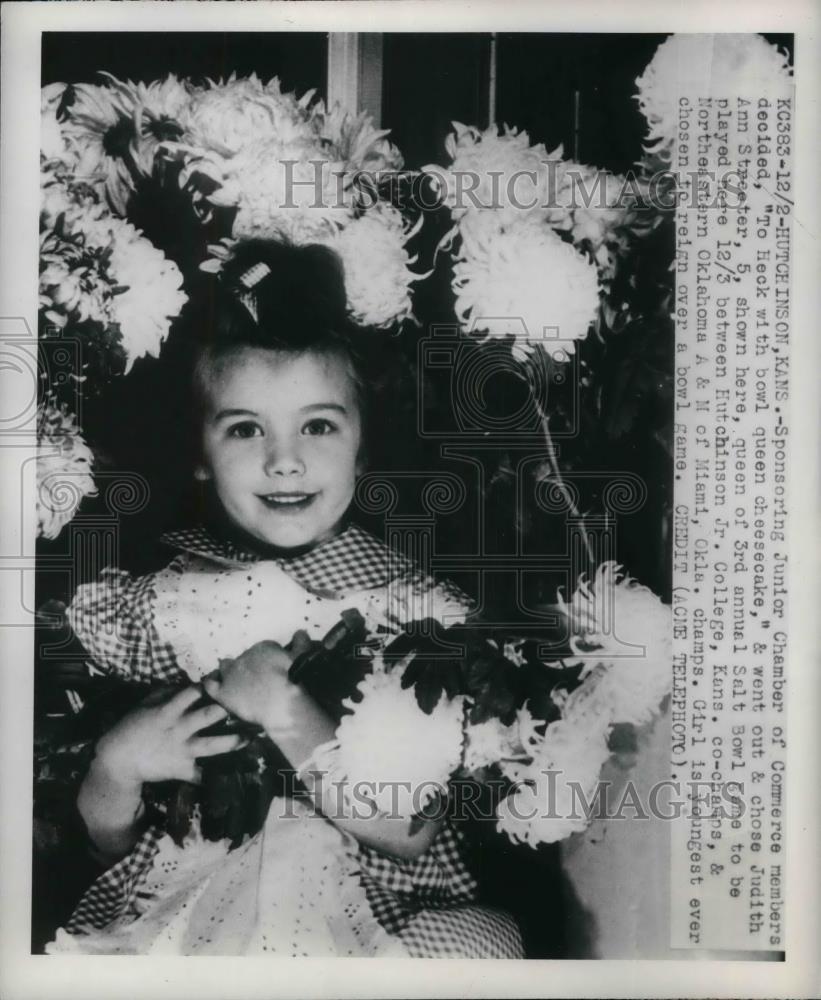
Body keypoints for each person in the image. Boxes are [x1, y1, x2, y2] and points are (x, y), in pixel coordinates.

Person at [45, 240, 524, 959]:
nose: (284, 459)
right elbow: (109, 848)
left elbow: (407, 830)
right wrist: (116, 766)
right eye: (244, 428)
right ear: (202, 459)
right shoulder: (165, 603)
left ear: (362, 448)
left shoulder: (415, 615)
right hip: (192, 907)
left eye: (318, 425)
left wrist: (286, 712)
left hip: (373, 910)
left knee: (479, 951)